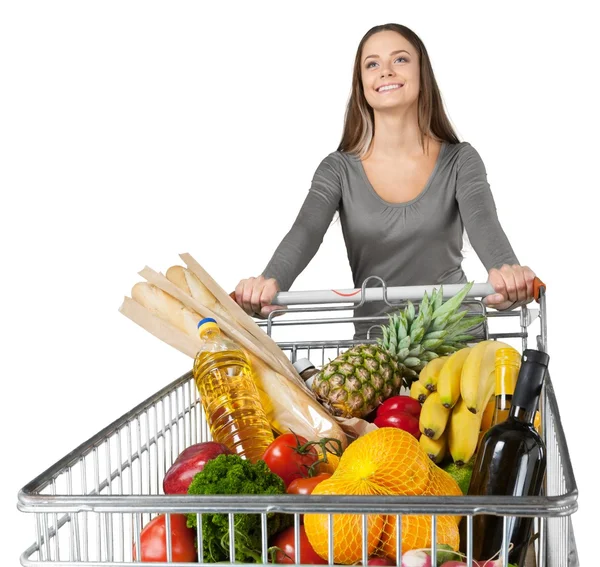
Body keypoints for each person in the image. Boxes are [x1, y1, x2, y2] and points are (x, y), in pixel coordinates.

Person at [234, 23, 537, 339]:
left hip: (456, 343)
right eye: (372, 64)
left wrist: (507, 272)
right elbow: (305, 231)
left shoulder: (460, 160)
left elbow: (483, 222)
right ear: (361, 83)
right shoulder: (337, 169)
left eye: (401, 60)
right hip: (377, 348)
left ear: (423, 75)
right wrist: (269, 281)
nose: (386, 71)